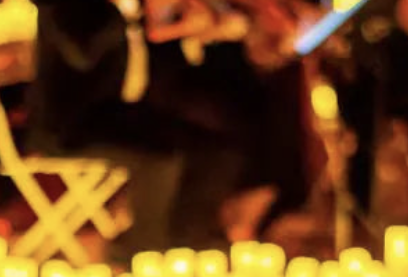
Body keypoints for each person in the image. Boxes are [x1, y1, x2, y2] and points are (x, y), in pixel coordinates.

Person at [27, 0, 245, 258]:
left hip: (125, 115)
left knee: (217, 151)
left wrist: (190, 30)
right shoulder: (63, 6)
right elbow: (83, 55)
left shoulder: (139, 11)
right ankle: (145, 249)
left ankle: (188, 236)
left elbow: (162, 60)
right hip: (71, 126)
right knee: (159, 158)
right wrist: (124, 11)